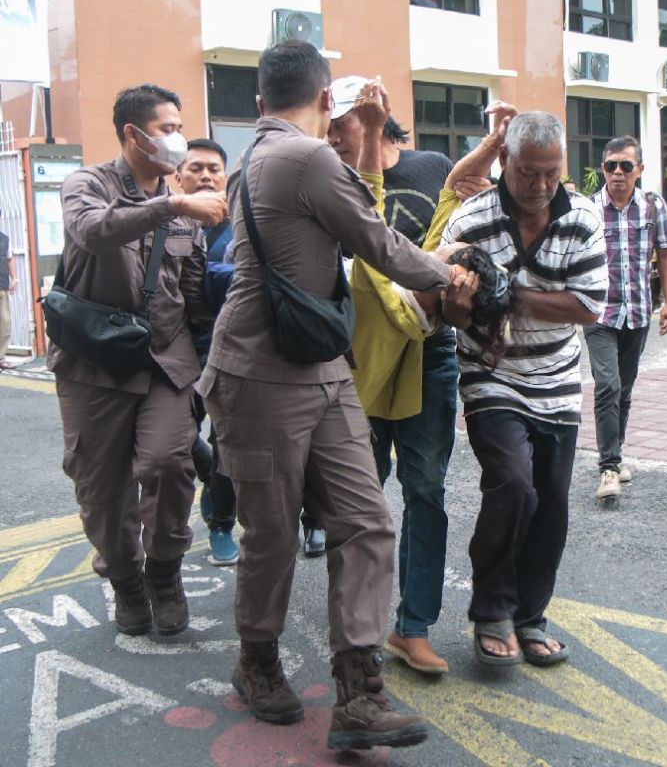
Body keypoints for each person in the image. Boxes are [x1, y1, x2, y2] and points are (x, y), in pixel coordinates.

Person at [197, 41, 464, 750]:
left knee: (364, 518)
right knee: (275, 534)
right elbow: (379, 242)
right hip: (259, 374)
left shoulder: (260, 155)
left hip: (319, 365)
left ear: (259, 102)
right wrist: (448, 275)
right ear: (323, 101)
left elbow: (355, 226)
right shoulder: (305, 158)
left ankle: (358, 690)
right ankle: (255, 662)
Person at [324, 74, 505, 675]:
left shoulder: (422, 179)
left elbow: (447, 195)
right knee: (358, 500)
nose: (333, 137)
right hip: (359, 364)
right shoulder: (333, 176)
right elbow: (376, 221)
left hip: (424, 360)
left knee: (425, 492)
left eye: (341, 124)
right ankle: (358, 623)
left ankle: (412, 627)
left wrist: (493, 141)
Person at [55, 84, 225, 636]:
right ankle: (126, 582)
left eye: (179, 126)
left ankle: (165, 575)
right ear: (134, 134)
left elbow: (197, 298)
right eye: (168, 127)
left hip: (164, 363)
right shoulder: (89, 184)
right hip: (93, 363)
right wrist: (171, 204)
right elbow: (91, 231)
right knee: (101, 490)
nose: (176, 137)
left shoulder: (189, 216)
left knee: (167, 464)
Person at [441, 111, 607, 667]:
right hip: (492, 375)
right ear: (504, 162)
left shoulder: (583, 215)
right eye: (527, 174)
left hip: (558, 381)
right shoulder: (469, 219)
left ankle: (531, 618)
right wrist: (459, 301)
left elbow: (587, 305)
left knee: (552, 504)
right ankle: (491, 610)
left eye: (551, 174)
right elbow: (439, 300)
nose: (539, 187)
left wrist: (504, 293)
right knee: (514, 485)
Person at [584, 135, 667, 500]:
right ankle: (608, 467)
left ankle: (616, 454)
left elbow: (666, 257)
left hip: (638, 312)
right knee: (607, 386)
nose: (618, 173)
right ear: (602, 169)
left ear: (640, 170)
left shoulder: (653, 208)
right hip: (598, 313)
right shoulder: (589, 209)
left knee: (623, 390)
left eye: (626, 165)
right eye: (611, 166)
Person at [176, 138, 239, 567]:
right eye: (195, 168)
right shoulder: (166, 221)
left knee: (227, 441)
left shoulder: (241, 225)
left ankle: (221, 524)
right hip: (175, 348)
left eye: (213, 169)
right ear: (177, 176)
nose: (205, 176)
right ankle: (207, 473)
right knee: (176, 438)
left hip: (230, 347)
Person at [0, 228, 16, 369]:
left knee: (4, 324)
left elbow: (9, 259)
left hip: (2, 286)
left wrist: (14, 278)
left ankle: (1, 358)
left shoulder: (5, 239)